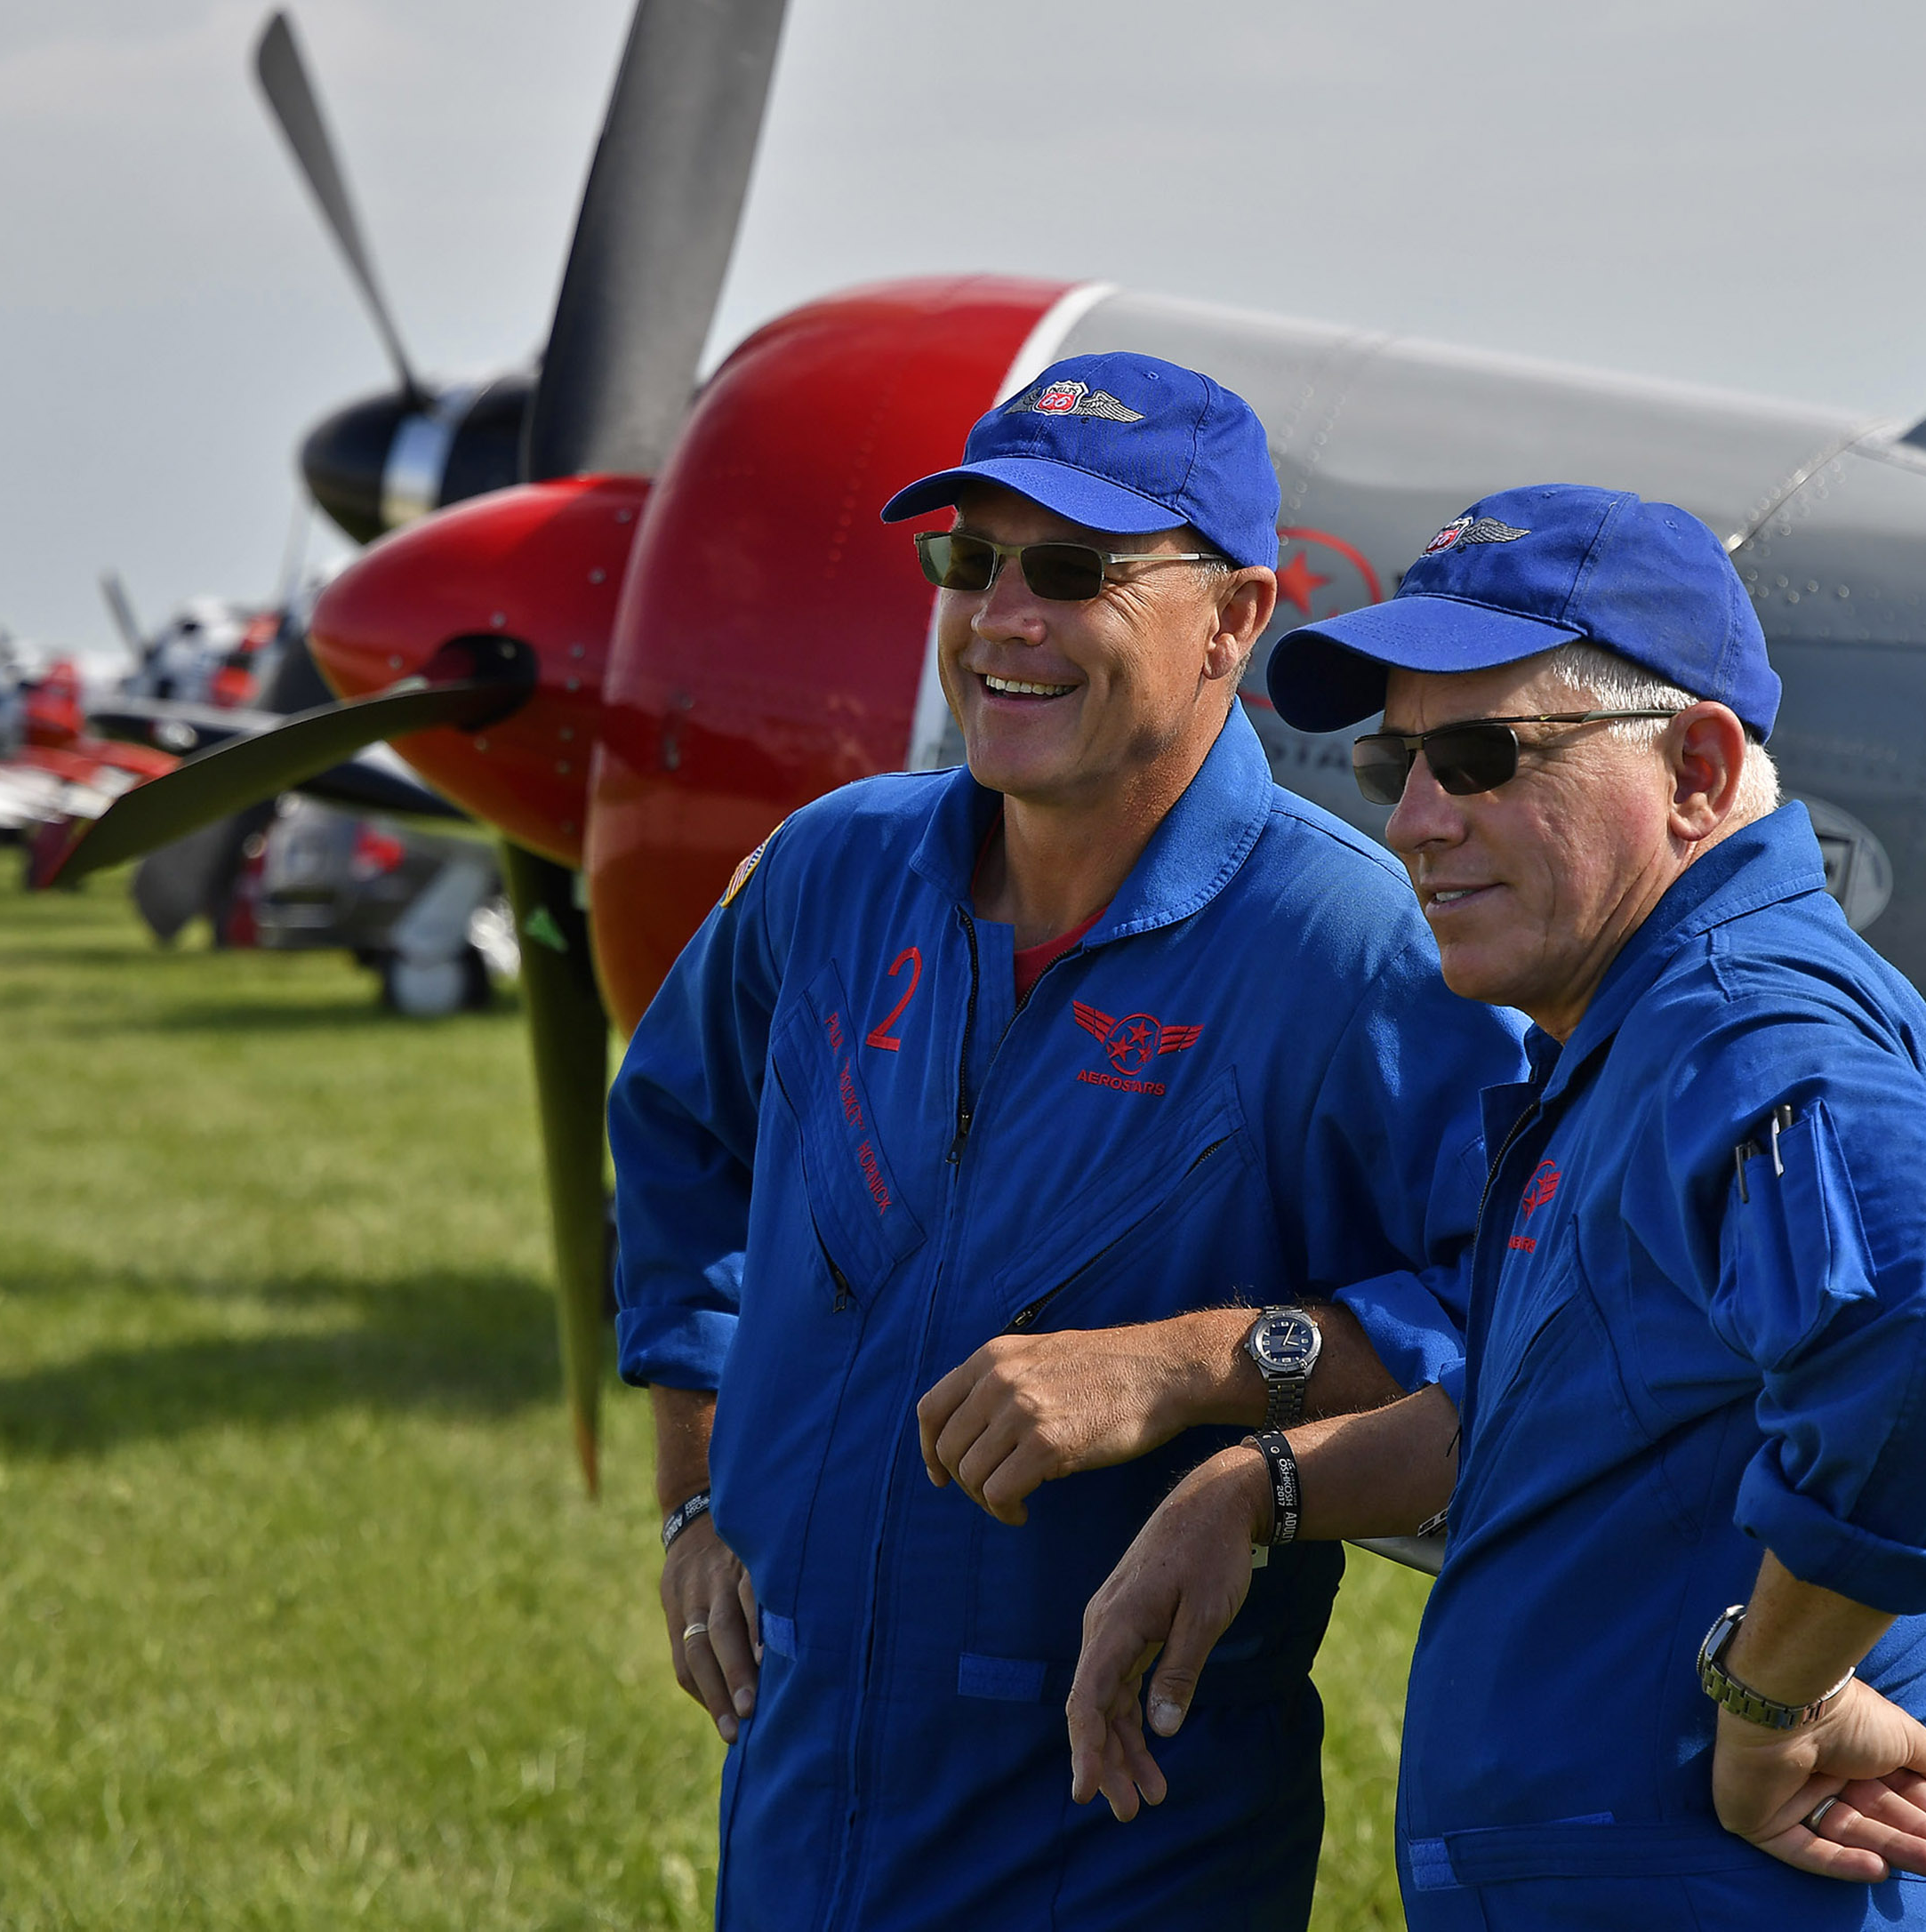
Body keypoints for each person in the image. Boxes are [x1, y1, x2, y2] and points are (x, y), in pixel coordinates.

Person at [608, 354, 1531, 1930]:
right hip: (795, 1818)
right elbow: (684, 1136)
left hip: (1120, 1847)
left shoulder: (1355, 953)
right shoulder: (833, 873)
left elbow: (1532, 1326)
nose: (1003, 619)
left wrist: (1191, 1366)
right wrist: (692, 1502)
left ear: (1235, 618)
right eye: (969, 561)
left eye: (1074, 571)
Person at [1065, 484, 1926, 1927]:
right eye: (1392, 760)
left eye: (1480, 755)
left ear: (1699, 768)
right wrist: (1259, 1483)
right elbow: (1572, 1414)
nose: (1414, 819)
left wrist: (1769, 1695)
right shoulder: (1640, 1032)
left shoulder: (1740, 1023)